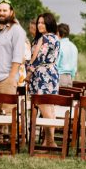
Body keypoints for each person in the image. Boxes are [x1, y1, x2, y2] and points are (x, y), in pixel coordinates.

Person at [0, 0, 26, 144]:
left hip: (7, 77)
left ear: (11, 12)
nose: (1, 13)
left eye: (4, 10)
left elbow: (18, 56)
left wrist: (12, 77)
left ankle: (13, 142)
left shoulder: (17, 30)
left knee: (9, 111)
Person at [27, 13, 60, 147]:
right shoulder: (55, 38)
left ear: (49, 24)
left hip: (42, 75)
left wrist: (29, 72)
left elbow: (38, 58)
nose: (40, 25)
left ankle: (51, 142)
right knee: (50, 109)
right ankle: (47, 141)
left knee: (45, 108)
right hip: (51, 73)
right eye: (39, 22)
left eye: (43, 23)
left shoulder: (45, 38)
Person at [56, 23, 78, 88]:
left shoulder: (59, 45)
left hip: (60, 77)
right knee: (68, 97)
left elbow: (56, 64)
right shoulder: (74, 46)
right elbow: (74, 67)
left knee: (57, 98)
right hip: (70, 78)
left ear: (58, 33)